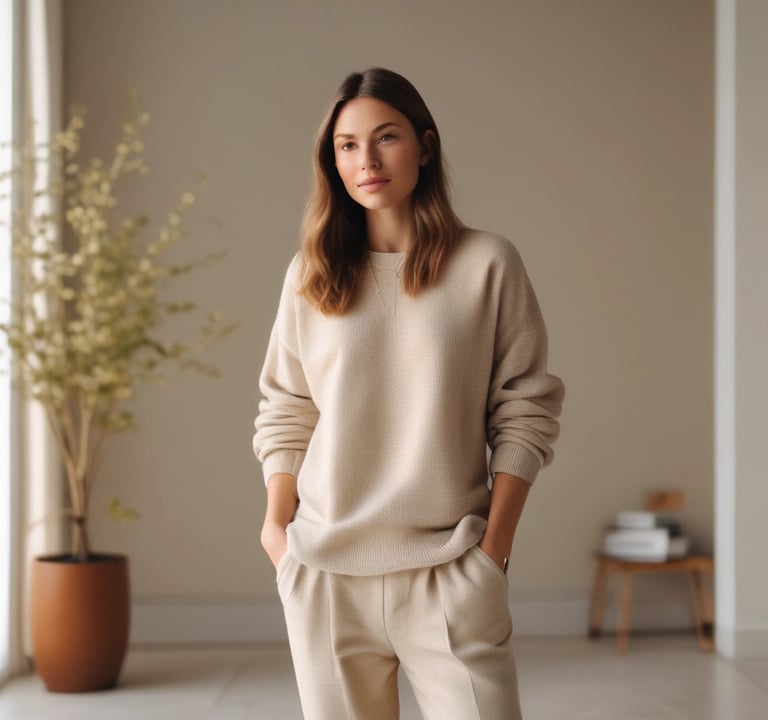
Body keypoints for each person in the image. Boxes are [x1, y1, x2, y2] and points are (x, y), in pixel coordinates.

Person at [253, 67, 564, 720]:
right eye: (347, 145)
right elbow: (287, 407)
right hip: (326, 575)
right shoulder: (311, 275)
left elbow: (525, 407)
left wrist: (496, 545)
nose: (366, 160)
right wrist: (277, 531)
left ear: (425, 146)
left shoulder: (487, 263)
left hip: (450, 570)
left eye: (386, 137)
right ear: (332, 161)